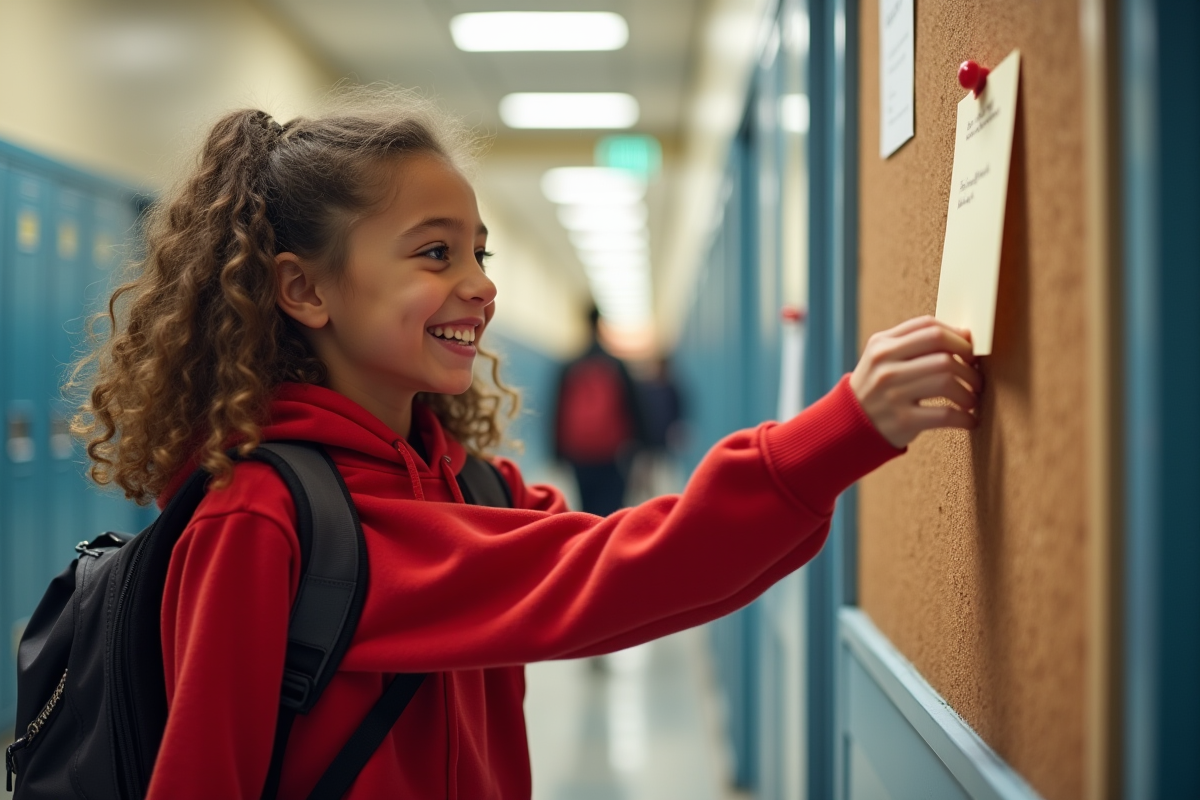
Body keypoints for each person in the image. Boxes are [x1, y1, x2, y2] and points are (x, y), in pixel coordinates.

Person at [71, 89, 982, 799]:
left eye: (482, 254)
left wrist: (841, 441)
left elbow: (651, 563)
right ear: (304, 289)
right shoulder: (263, 518)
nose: (478, 286)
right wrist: (845, 428)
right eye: (435, 254)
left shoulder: (474, 485)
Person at [552, 306, 647, 516]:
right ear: (601, 324)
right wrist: (642, 444)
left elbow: (556, 410)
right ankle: (610, 545)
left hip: (578, 454)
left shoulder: (570, 366)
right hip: (612, 453)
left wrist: (557, 452)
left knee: (586, 508)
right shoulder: (615, 364)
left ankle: (590, 543)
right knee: (612, 509)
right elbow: (634, 406)